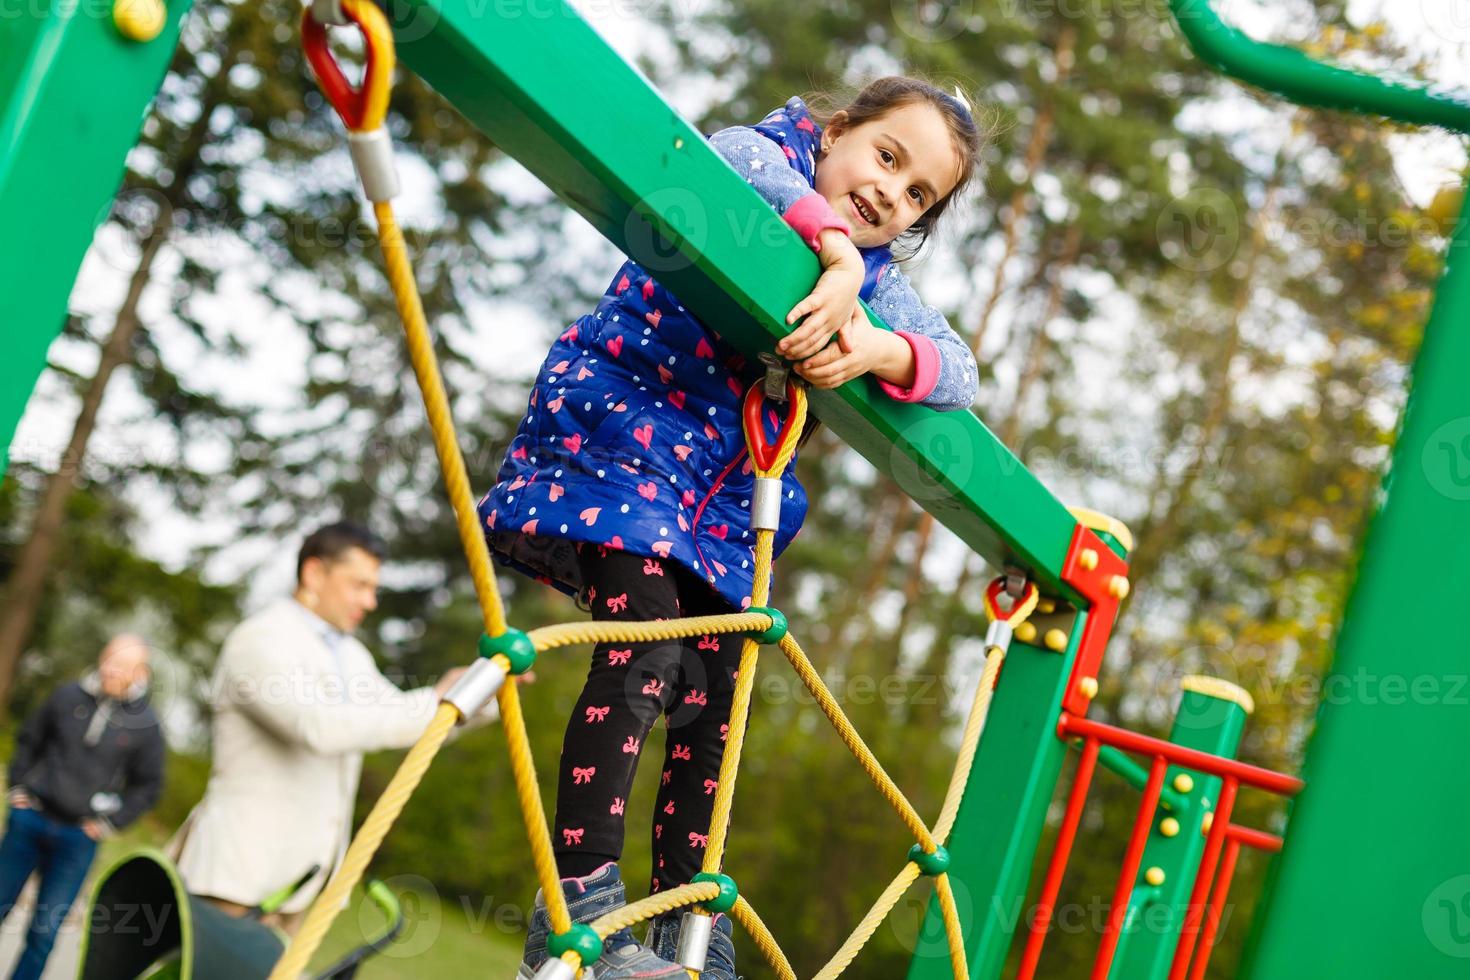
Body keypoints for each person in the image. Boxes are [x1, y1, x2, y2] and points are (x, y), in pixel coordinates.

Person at [480, 76, 984, 979]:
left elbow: (964, 373)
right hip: (621, 431)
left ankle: (684, 929)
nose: (888, 194)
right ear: (835, 130)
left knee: (713, 696)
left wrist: (878, 347)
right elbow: (729, 155)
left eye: (917, 196)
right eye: (886, 155)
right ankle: (577, 908)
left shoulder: (880, 285)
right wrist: (830, 255)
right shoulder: (771, 157)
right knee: (643, 649)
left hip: (713, 502)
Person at [171, 521, 488, 934]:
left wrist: (479, 698)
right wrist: (436, 700)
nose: (370, 601)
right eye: (359, 585)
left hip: (297, 887)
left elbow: (403, 719)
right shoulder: (260, 639)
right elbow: (317, 727)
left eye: (373, 587)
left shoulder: (351, 654)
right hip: (236, 877)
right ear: (314, 574)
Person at [0, 634, 165, 980]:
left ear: (140, 672)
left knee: (44, 932)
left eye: (121, 666)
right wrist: (18, 790)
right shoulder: (66, 696)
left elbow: (147, 786)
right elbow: (30, 739)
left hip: (78, 839)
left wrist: (109, 823)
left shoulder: (147, 725)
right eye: (108, 660)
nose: (110, 671)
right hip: (30, 819)